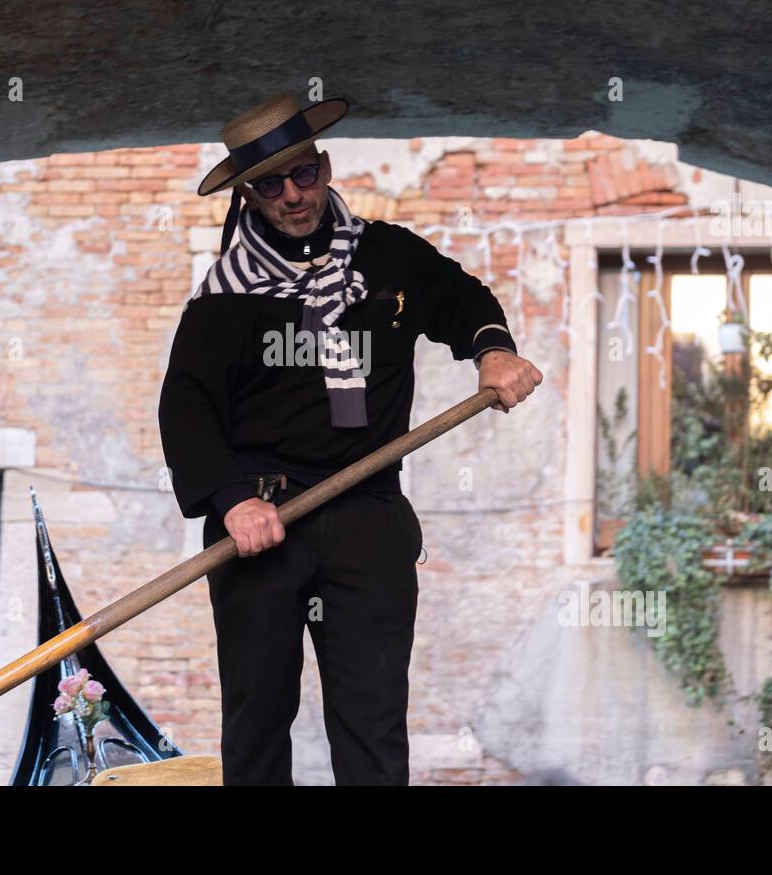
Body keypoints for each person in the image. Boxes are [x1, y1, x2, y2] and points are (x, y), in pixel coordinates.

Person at [158, 91, 542, 784]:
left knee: (372, 724)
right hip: (261, 526)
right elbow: (186, 409)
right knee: (256, 721)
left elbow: (462, 300)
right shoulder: (224, 298)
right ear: (248, 198)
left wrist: (492, 352)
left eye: (303, 174)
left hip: (368, 517)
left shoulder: (388, 256)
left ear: (325, 167)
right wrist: (233, 502)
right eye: (270, 185)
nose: (294, 196)